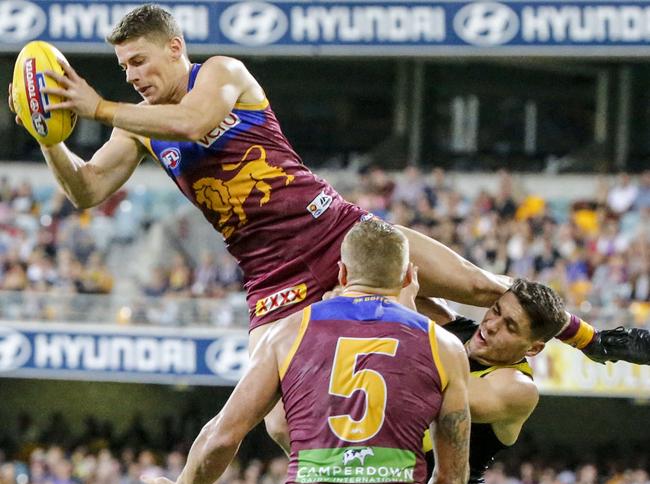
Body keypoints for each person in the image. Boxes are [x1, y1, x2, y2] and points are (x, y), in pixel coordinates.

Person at [7, 3, 505, 442]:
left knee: (480, 288)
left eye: (139, 60)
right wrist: (47, 135)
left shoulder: (222, 72)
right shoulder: (139, 126)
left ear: (174, 47)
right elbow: (87, 189)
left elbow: (193, 123)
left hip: (335, 233)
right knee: (281, 424)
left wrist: (98, 108)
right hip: (273, 278)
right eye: (124, 67)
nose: (132, 75)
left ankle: (579, 337)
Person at [142, 220, 471, 484]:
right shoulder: (444, 346)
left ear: (342, 274)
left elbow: (222, 435)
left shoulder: (287, 332)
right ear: (410, 277)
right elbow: (451, 478)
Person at [415, 281, 650, 484]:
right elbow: (396, 256)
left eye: (510, 326)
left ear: (533, 348)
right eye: (495, 310)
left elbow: (436, 392)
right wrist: (485, 286)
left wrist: (397, 311)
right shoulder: (456, 328)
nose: (491, 325)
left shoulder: (518, 388)